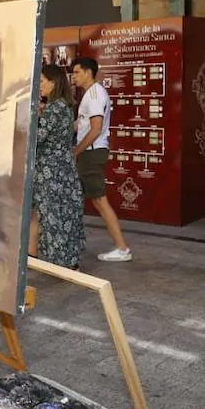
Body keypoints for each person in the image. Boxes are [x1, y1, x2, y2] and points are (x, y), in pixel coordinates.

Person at [70, 57, 131, 262]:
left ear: (88, 72)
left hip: (91, 153)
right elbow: (81, 124)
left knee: (99, 200)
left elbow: (96, 128)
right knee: (84, 199)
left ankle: (122, 248)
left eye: (77, 72)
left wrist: (77, 150)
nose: (74, 76)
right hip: (90, 152)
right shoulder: (90, 94)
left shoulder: (94, 95)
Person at [28, 65, 85, 269]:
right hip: (61, 168)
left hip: (51, 171)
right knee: (44, 212)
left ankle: (63, 264)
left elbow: (39, 137)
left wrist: (31, 118)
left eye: (42, 81)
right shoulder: (64, 106)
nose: (40, 85)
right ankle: (32, 257)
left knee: (54, 216)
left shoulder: (56, 107)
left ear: (53, 82)